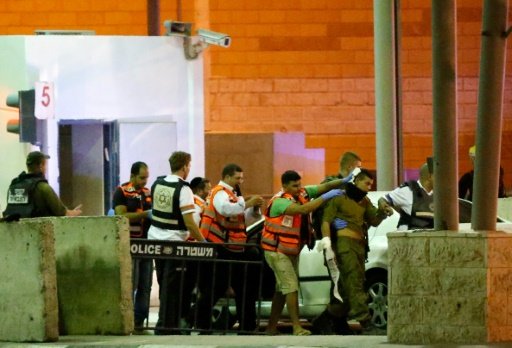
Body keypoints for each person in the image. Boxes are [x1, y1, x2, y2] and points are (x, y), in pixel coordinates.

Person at [261, 170, 348, 336]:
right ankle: (296, 327)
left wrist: (343, 181)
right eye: (294, 186)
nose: (298, 188)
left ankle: (271, 328)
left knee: (282, 289)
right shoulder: (279, 202)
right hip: (277, 251)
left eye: (299, 184)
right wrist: (327, 196)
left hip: (290, 250)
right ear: (285, 185)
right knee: (291, 287)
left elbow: (325, 186)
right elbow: (303, 209)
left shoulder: (302, 193)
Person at [317, 169, 391, 333]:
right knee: (355, 284)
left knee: (345, 291)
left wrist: (382, 211)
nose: (369, 187)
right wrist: (327, 244)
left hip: (358, 246)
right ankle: (366, 323)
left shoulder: (364, 201)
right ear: (356, 181)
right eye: (367, 183)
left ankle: (325, 320)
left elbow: (374, 220)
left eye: (371, 184)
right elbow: (326, 222)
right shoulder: (339, 197)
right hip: (343, 246)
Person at [194, 163, 264, 333]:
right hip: (220, 248)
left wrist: (254, 209)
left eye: (242, 177)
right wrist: (246, 203)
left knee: (243, 290)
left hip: (235, 248)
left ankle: (247, 326)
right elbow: (225, 210)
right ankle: (199, 323)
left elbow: (241, 218)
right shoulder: (219, 192)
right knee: (216, 289)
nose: (240, 181)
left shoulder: (233, 194)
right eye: (237, 178)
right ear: (226, 177)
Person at [147, 151, 206, 335]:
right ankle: (167, 326)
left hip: (155, 239)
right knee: (172, 287)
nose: (189, 169)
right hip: (174, 243)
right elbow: (189, 221)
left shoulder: (157, 183)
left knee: (163, 283)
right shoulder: (184, 189)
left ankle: (164, 324)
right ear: (184, 166)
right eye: (189, 165)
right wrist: (203, 241)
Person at [311, 151, 362, 334]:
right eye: (359, 167)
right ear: (350, 167)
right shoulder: (330, 185)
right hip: (334, 243)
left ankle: (338, 323)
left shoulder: (350, 188)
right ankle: (325, 321)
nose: (360, 171)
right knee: (341, 285)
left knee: (344, 285)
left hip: (348, 243)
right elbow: (323, 213)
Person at [112, 161, 153, 331]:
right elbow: (121, 216)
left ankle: (139, 321)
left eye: (146, 178)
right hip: (131, 243)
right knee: (132, 283)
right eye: (142, 178)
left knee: (146, 285)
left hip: (147, 243)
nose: (145, 181)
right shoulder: (121, 192)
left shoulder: (147, 193)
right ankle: (127, 320)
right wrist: (144, 214)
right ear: (132, 176)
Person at [3, 151, 82, 218]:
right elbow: (62, 213)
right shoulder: (43, 188)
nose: (46, 168)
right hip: (38, 233)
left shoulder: (14, 186)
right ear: (41, 165)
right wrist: (74, 212)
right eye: (45, 165)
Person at [378, 163, 434, 230]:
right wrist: (385, 207)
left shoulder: (440, 194)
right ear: (430, 176)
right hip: (409, 237)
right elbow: (383, 199)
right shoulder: (407, 190)